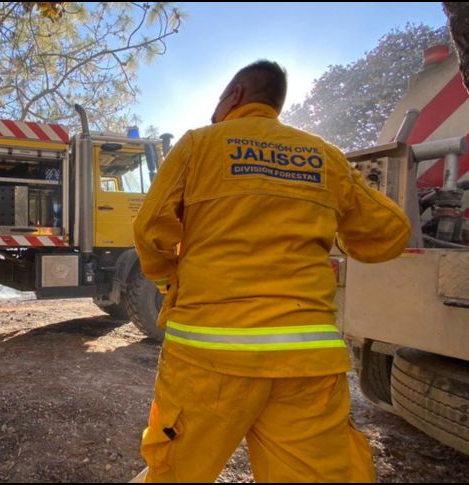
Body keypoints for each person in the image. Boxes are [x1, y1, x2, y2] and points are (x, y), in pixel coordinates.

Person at [132, 60, 410, 483]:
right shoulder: (326, 157)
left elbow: (150, 229)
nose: (215, 109)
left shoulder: (198, 146)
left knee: (176, 473)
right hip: (306, 364)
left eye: (219, 99)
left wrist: (168, 278)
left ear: (236, 96)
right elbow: (390, 234)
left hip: (209, 358)